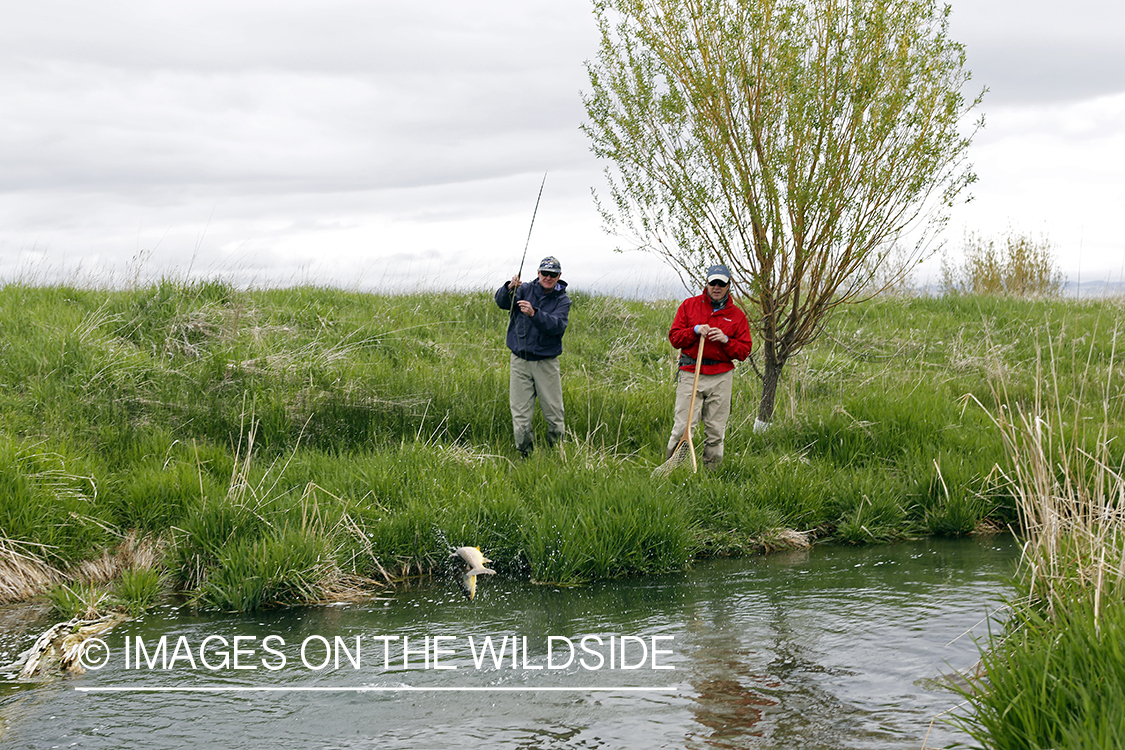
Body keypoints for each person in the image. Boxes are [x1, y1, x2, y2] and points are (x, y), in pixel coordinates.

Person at [666, 263, 753, 469]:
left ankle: (711, 474)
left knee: (715, 430)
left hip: (721, 375)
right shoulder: (689, 306)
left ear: (728, 285)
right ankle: (672, 469)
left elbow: (744, 351)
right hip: (690, 372)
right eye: (713, 282)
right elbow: (675, 338)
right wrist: (694, 330)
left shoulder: (737, 315)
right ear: (706, 283)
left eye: (721, 284)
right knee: (682, 428)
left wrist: (726, 340)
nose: (716, 287)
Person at [494, 256, 571, 455]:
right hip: (519, 361)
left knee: (554, 414)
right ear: (538, 273)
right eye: (544, 273)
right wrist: (509, 287)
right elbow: (502, 302)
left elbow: (557, 326)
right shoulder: (524, 289)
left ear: (558, 276)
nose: (548, 277)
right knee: (520, 415)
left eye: (552, 274)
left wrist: (534, 314)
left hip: (546, 363)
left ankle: (557, 453)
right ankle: (524, 454)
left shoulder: (563, 300)